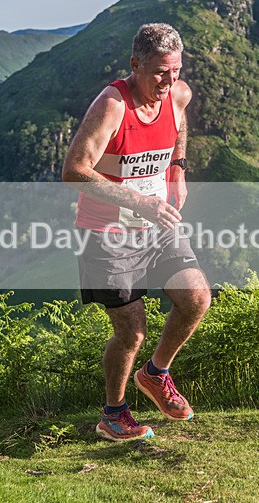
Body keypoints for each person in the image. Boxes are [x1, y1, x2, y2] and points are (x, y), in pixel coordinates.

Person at [62, 23, 211, 441]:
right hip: (108, 234)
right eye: (160, 72)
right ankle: (113, 414)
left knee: (196, 298)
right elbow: (73, 171)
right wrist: (138, 201)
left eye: (176, 70)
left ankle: (156, 373)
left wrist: (178, 169)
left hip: (158, 227)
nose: (170, 81)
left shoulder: (176, 94)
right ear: (135, 64)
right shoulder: (112, 105)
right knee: (132, 332)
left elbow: (180, 121)